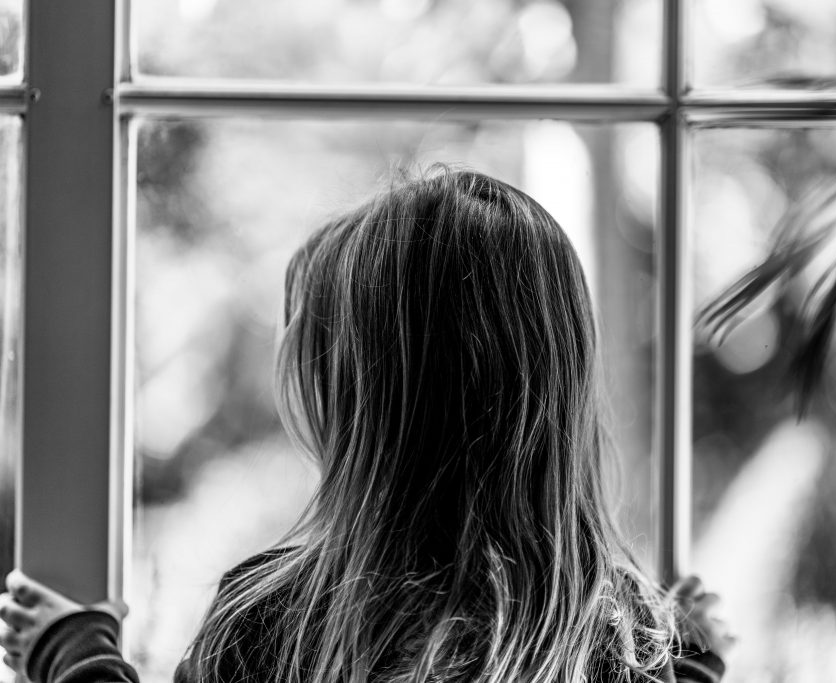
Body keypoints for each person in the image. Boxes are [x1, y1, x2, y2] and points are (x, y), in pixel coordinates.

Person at [0, 169, 731, 682]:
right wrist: (686, 658)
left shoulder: (274, 622)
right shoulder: (621, 637)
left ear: (351, 400)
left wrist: (78, 654)